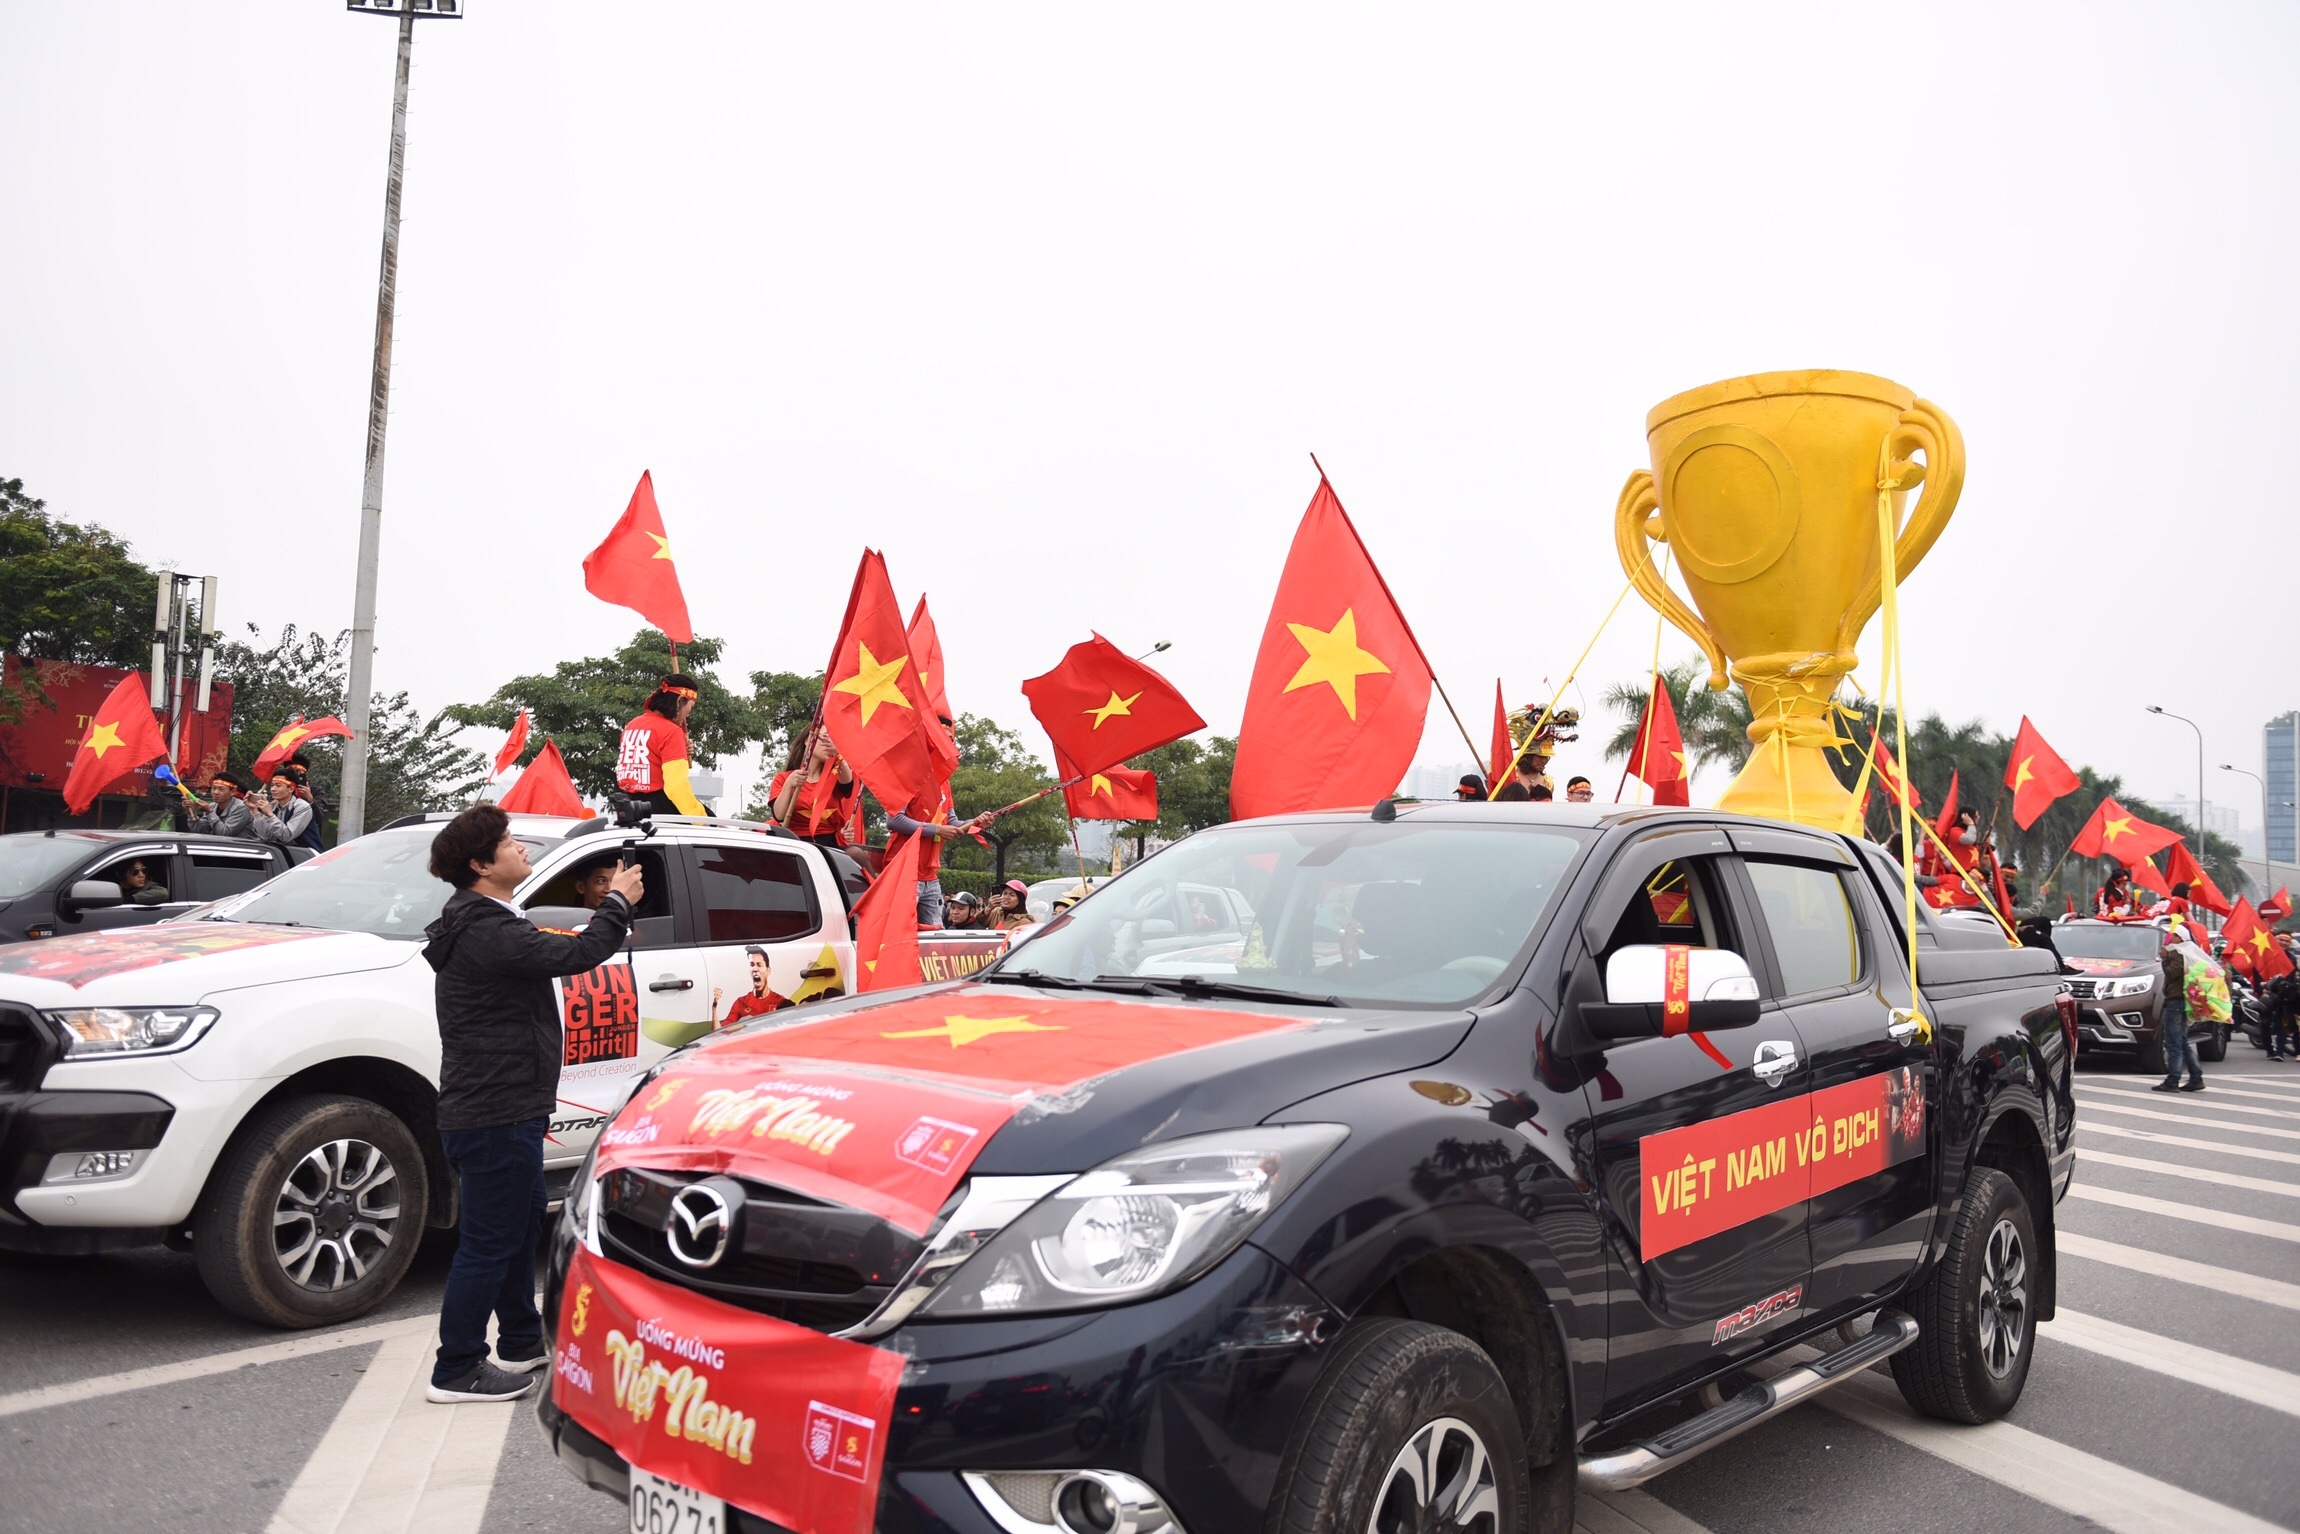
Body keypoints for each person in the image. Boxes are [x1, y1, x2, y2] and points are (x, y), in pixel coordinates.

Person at [420, 805, 640, 1403]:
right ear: (480, 864)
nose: (521, 849)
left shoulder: (486, 917)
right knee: (490, 1241)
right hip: (494, 1110)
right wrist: (615, 902)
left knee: (518, 1230)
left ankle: (520, 1340)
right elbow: (574, 955)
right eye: (509, 842)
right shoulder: (486, 928)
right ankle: (457, 1367)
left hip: (507, 1103)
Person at [886, 786, 985, 928]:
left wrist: (976, 822)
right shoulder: (906, 778)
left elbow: (951, 822)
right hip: (904, 871)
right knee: (900, 928)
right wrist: (937, 829)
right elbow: (894, 820)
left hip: (930, 875)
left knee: (935, 931)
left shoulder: (945, 783)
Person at [614, 674, 708, 817]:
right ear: (679, 702)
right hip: (661, 805)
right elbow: (676, 786)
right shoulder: (671, 732)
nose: (688, 714)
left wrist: (680, 748)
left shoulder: (632, 725)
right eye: (690, 707)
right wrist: (700, 819)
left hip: (628, 804)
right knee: (719, 828)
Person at [770, 726, 858, 847]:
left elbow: (847, 785)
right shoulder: (784, 778)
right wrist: (789, 785)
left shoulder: (834, 776)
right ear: (808, 740)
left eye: (833, 739)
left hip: (828, 843)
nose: (829, 743)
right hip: (795, 842)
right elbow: (779, 815)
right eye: (826, 737)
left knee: (856, 855)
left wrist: (839, 755)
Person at [2153, 927, 2205, 1094]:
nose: (2170, 937)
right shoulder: (2188, 953)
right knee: (2181, 1041)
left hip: (2176, 1001)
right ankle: (2196, 1077)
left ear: (2181, 938)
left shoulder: (2178, 954)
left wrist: (2165, 958)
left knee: (2173, 1042)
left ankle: (2173, 1080)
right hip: (2183, 1000)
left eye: (2174, 935)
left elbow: (2172, 973)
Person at [711, 947, 782, 1028]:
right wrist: (714, 1008)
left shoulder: (780, 1001)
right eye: (752, 965)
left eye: (759, 965)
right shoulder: (741, 1003)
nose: (755, 969)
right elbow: (720, 1033)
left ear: (768, 971)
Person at [246, 774, 315, 848]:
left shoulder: (302, 807)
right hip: (283, 851)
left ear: (291, 789)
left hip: (306, 853)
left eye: (278, 785)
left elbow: (287, 837)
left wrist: (271, 815)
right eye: (272, 785)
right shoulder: (273, 806)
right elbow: (266, 836)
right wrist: (255, 812)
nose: (273, 789)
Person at [189, 772, 256, 839]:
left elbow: (225, 834)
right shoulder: (212, 806)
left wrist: (210, 812)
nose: (215, 792)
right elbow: (199, 831)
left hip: (241, 847)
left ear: (232, 792)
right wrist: (190, 811)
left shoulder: (241, 808)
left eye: (221, 789)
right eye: (214, 788)